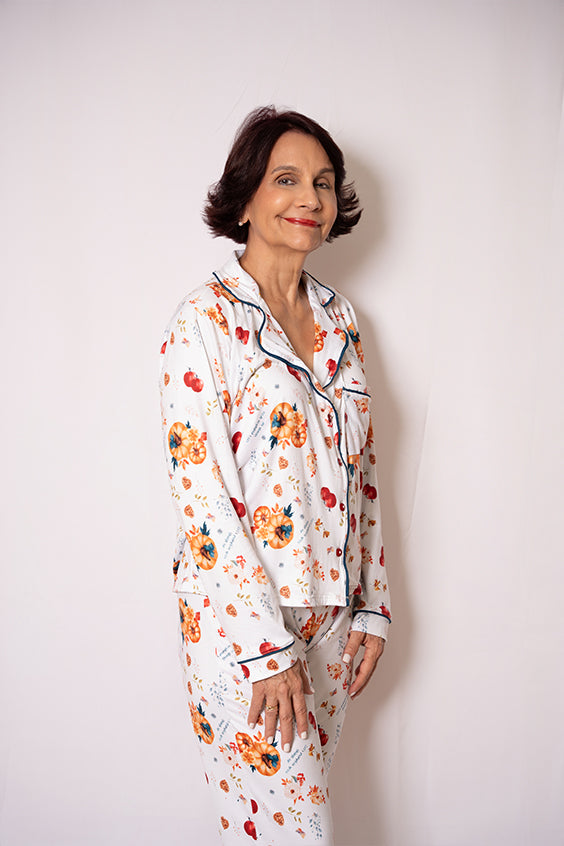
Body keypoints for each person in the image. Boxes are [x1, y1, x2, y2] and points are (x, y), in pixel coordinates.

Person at [159, 106, 391, 844]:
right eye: (286, 179)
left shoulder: (342, 320)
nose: (310, 199)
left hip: (333, 622)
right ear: (245, 199)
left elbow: (364, 471)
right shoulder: (203, 322)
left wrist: (373, 604)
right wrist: (264, 647)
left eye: (322, 182)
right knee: (298, 836)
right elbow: (203, 498)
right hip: (243, 629)